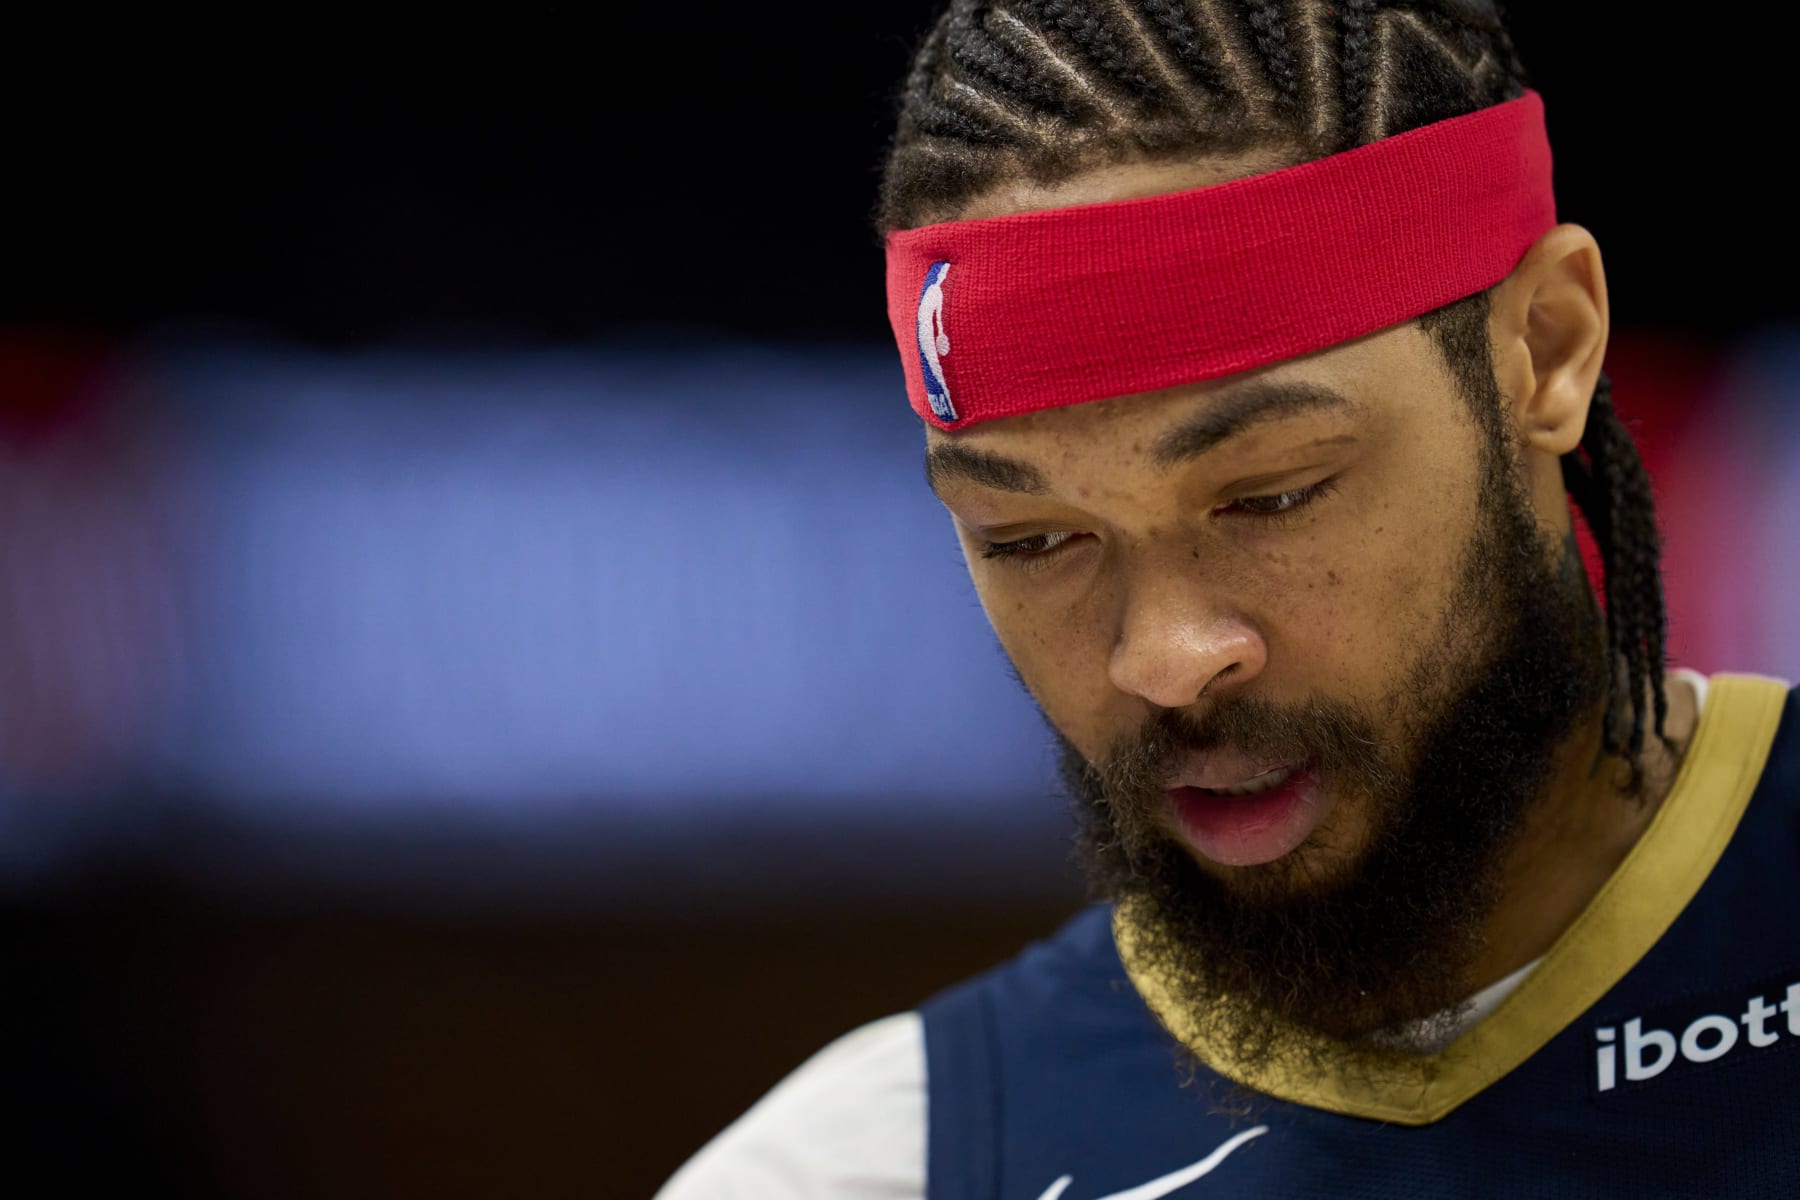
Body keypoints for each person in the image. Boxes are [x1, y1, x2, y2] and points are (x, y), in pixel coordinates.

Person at [659, 1, 1799, 1195]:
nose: (1164, 658)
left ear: (1549, 350)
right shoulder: (871, 1168)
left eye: (1272, 496)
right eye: (1032, 537)